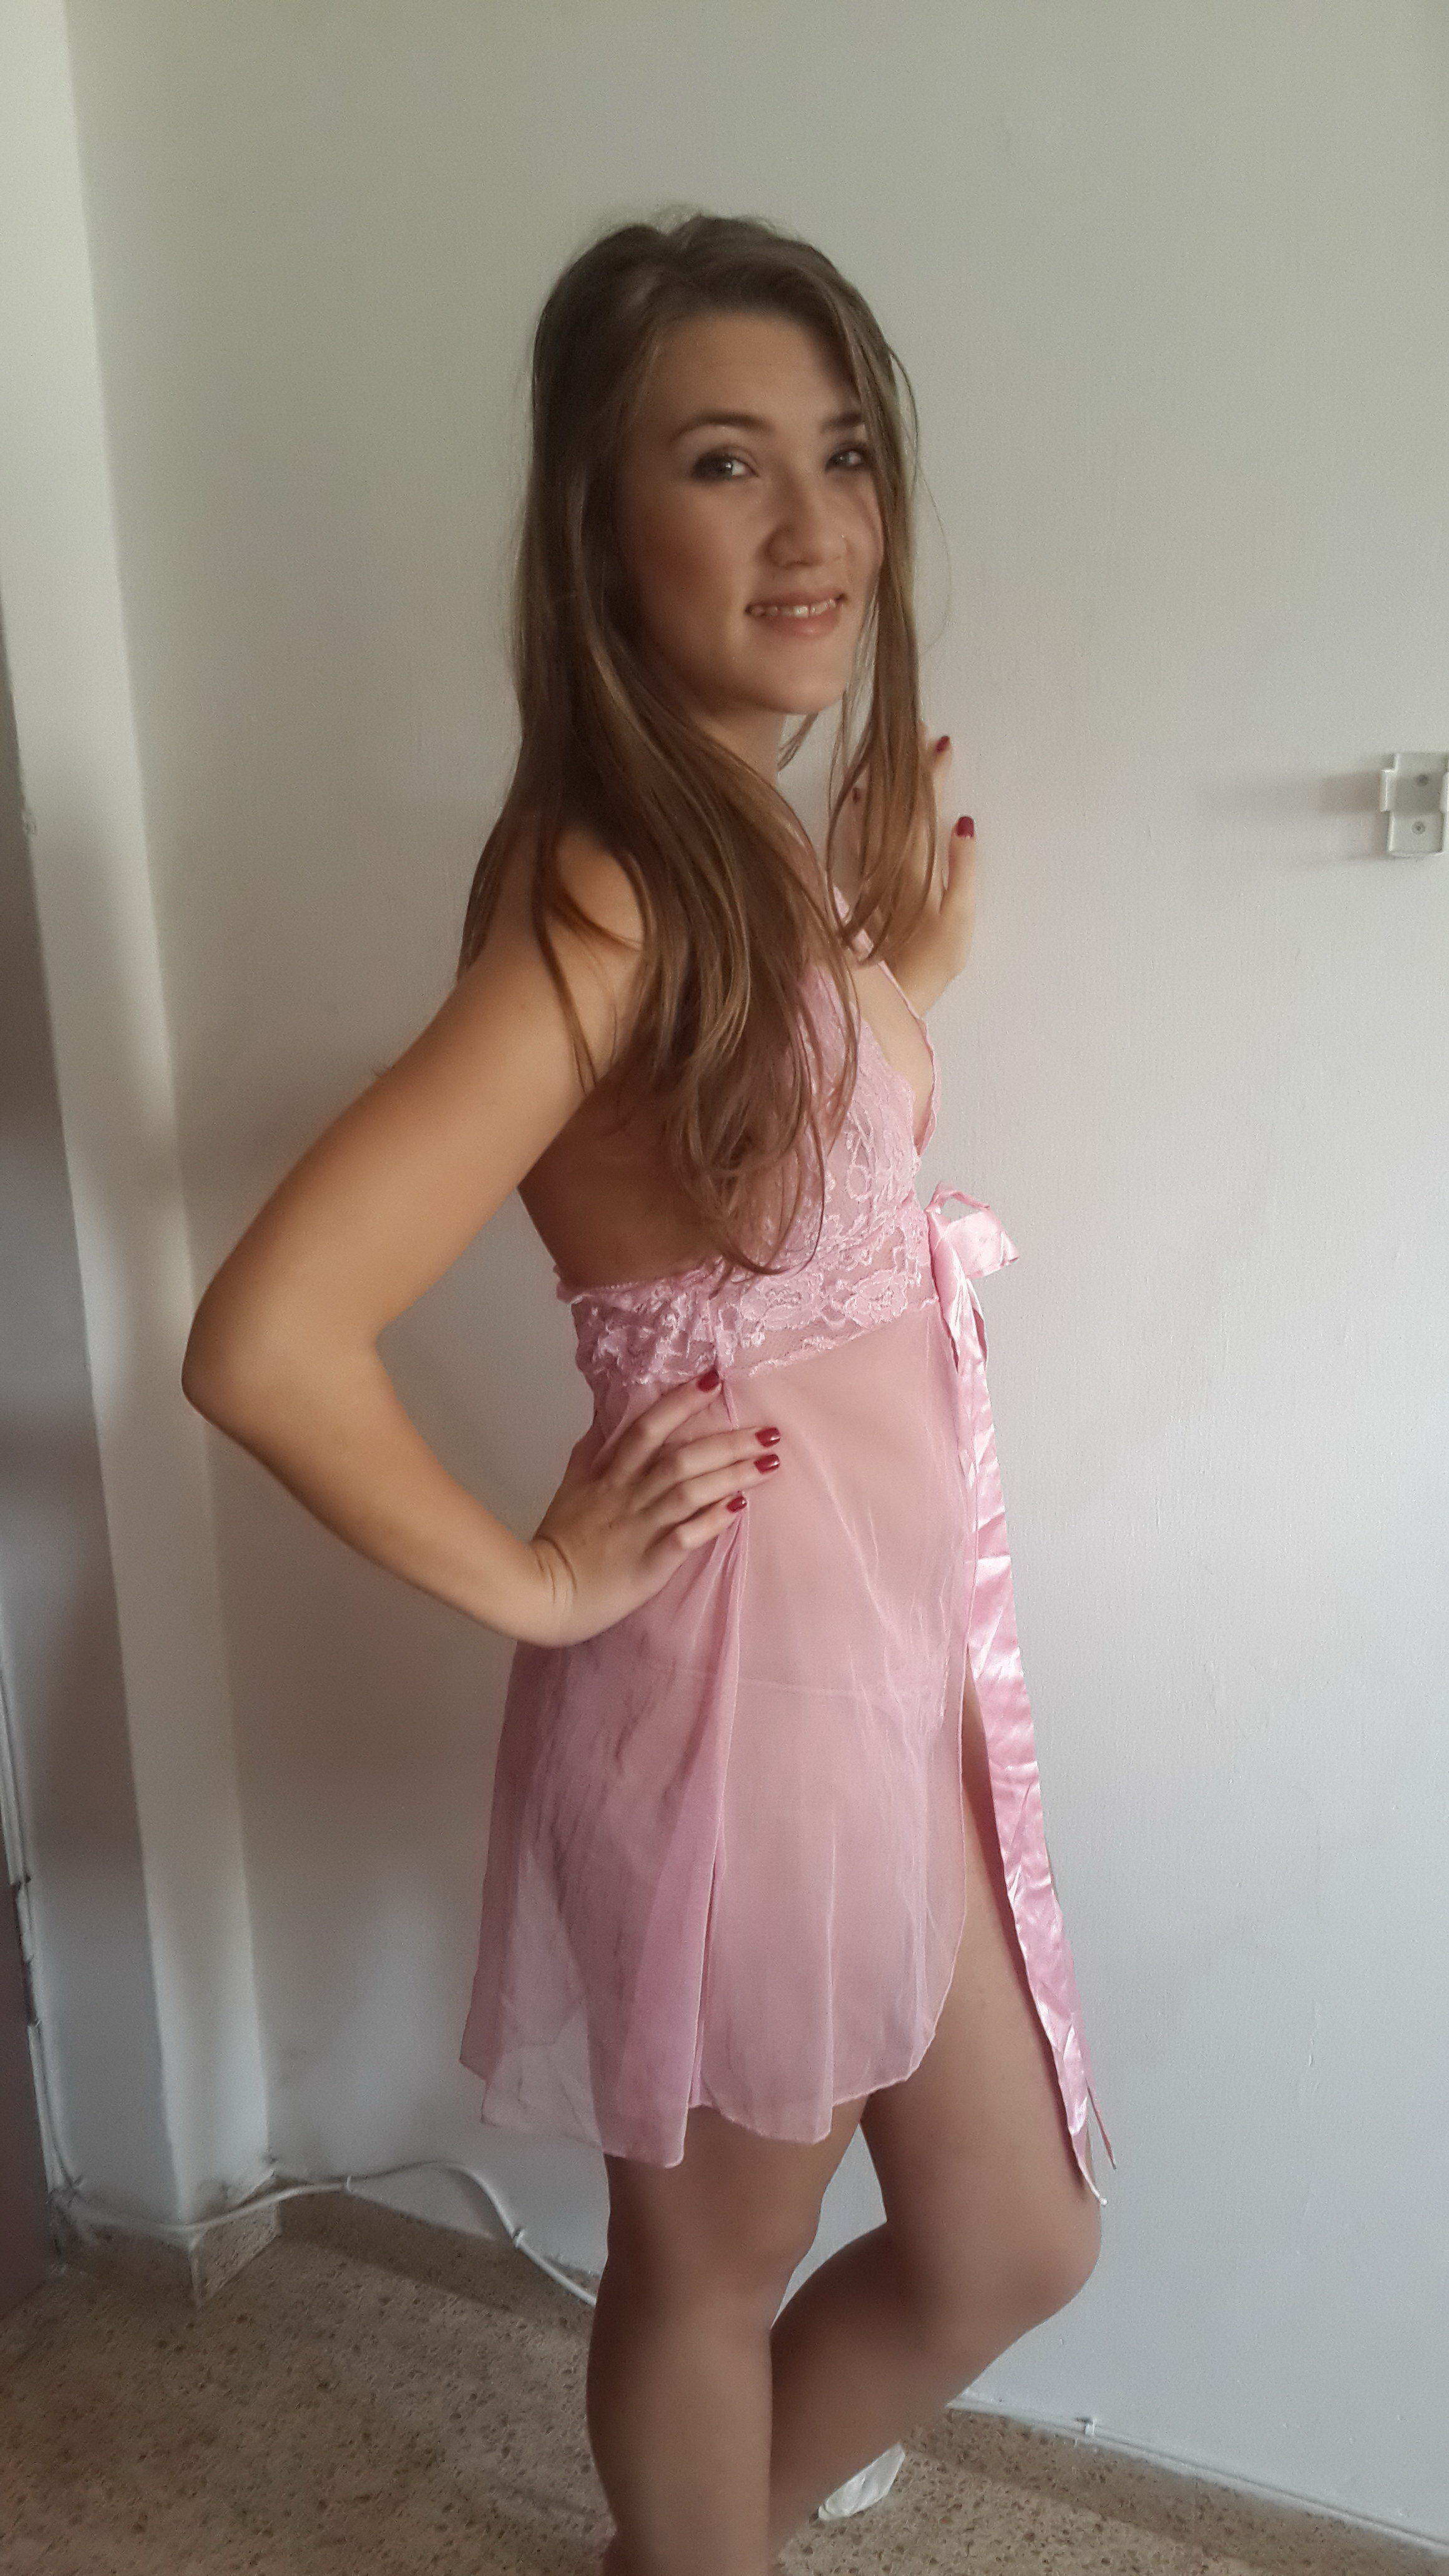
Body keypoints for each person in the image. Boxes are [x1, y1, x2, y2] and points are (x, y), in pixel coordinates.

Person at [182, 208, 1113, 2576]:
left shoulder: (739, 851)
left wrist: (890, 986)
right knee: (713, 2267)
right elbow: (268, 1336)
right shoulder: (606, 885)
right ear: (601, 530)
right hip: (743, 1686)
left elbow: (756, 1186)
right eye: (723, 461)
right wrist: (538, 1578)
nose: (813, 525)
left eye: (843, 454)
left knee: (1012, 2237)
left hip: (881, 1666)